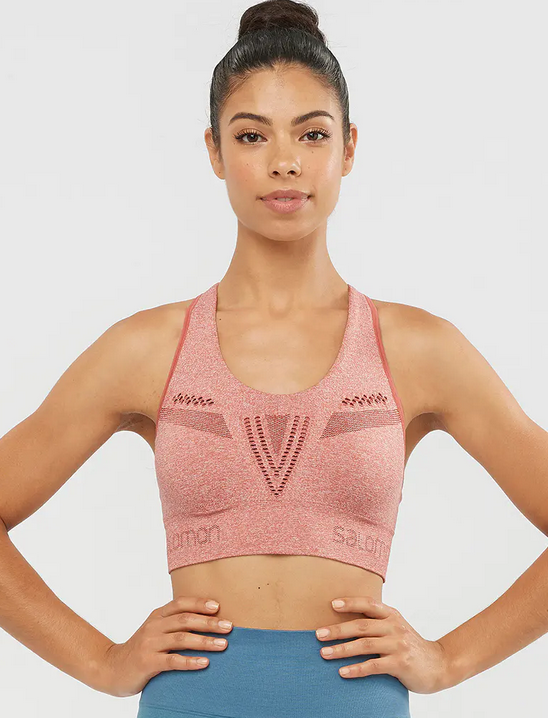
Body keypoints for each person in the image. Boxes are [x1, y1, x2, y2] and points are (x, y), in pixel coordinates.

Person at [2, 1, 548, 717]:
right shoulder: (147, 349)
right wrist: (99, 661)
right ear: (214, 151)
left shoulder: (418, 349)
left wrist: (450, 659)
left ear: (348, 148)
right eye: (252, 134)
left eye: (312, 133)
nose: (285, 160)